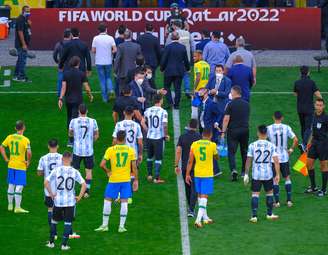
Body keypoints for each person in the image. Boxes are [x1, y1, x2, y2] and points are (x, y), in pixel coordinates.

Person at [95, 130, 138, 233]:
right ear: (125, 138)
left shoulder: (111, 150)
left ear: (116, 138)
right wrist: (136, 180)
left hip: (113, 180)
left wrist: (108, 171)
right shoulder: (130, 150)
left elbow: (101, 164)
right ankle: (121, 227)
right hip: (126, 180)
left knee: (107, 200)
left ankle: (105, 225)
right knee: (124, 202)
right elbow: (134, 167)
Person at [45, 151, 86, 250]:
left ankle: (51, 243)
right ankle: (64, 245)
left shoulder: (57, 170)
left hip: (58, 201)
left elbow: (46, 182)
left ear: (62, 159)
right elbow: (84, 185)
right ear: (71, 159)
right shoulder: (74, 171)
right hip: (70, 202)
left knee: (54, 221)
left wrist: (51, 194)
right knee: (68, 223)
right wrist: (79, 197)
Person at [244, 125, 280, 223]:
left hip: (256, 174)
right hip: (268, 174)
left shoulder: (252, 145)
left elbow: (248, 160)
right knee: (269, 193)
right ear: (266, 134)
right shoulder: (271, 145)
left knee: (255, 194)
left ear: (258, 133)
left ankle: (254, 216)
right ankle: (269, 214)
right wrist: (277, 174)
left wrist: (246, 174)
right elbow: (276, 161)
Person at [185, 128, 219, 228]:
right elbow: (216, 157)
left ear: (202, 135)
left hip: (197, 173)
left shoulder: (194, 144)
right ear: (210, 135)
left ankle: (205, 217)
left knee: (200, 195)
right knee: (204, 197)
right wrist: (216, 155)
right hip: (207, 174)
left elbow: (190, 161)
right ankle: (198, 220)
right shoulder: (212, 145)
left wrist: (187, 174)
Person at [58, 56, 93, 147]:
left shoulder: (66, 74)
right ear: (78, 63)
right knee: (76, 120)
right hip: (78, 100)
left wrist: (61, 98)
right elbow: (86, 87)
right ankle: (72, 140)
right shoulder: (81, 74)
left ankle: (71, 139)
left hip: (68, 100)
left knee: (69, 118)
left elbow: (63, 87)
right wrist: (90, 95)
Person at [267, 111, 298, 207]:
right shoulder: (286, 127)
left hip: (273, 158)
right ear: (282, 118)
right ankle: (289, 201)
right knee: (287, 178)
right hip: (284, 157)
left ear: (273, 117)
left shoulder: (269, 128)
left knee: (275, 179)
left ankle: (277, 202)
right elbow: (296, 140)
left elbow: (263, 139)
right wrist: (291, 149)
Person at [113, 106, 143, 203]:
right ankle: (128, 196)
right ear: (133, 113)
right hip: (132, 152)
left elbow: (114, 141)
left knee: (120, 173)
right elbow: (140, 142)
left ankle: (119, 195)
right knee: (132, 173)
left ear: (124, 112)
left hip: (120, 153)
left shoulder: (119, 124)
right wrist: (140, 154)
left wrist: (113, 150)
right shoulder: (136, 125)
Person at [0, 120, 32, 213]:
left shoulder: (9, 137)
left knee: (11, 184)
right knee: (19, 187)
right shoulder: (25, 139)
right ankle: (17, 207)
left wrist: (6, 158)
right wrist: (28, 161)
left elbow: (1, 147)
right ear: (24, 128)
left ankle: (10, 205)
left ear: (15, 128)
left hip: (11, 165)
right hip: (20, 166)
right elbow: (29, 152)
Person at [69, 104, 99, 197]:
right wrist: (91, 140)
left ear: (78, 111)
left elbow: (70, 133)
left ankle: (72, 190)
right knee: (88, 171)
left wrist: (73, 138)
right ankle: (86, 192)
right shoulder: (93, 121)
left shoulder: (73, 121)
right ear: (87, 111)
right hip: (88, 150)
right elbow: (96, 135)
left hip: (77, 150)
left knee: (75, 171)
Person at [221, 86, 250, 181]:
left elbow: (226, 119)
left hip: (233, 130)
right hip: (245, 130)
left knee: (231, 152)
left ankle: (233, 170)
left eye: (231, 92)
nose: (230, 94)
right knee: (244, 151)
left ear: (235, 93)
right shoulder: (247, 104)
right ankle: (243, 172)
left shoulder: (230, 104)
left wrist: (223, 132)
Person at [175, 119, 202, 217]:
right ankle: (191, 209)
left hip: (185, 166)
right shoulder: (199, 137)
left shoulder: (182, 137)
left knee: (188, 186)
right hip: (196, 166)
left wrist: (176, 165)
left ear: (188, 125)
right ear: (197, 126)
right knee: (194, 187)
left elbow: (178, 151)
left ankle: (190, 207)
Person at [294, 65, 322, 152]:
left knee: (303, 126)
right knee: (308, 128)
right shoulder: (311, 82)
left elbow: (295, 94)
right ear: (308, 72)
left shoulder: (297, 82)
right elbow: (317, 94)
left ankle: (304, 145)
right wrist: (321, 102)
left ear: (300, 72)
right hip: (309, 108)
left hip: (300, 108)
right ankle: (304, 144)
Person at [37, 139, 63, 233]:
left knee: (50, 209)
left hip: (48, 189)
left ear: (48, 146)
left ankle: (53, 232)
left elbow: (39, 173)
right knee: (64, 208)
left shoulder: (43, 158)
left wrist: (46, 172)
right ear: (57, 146)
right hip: (60, 189)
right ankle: (68, 230)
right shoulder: (62, 158)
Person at [160, 31, 190, 109]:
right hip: (179, 71)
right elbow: (186, 60)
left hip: (169, 71)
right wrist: (188, 68)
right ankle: (176, 105)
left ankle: (170, 102)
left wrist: (162, 69)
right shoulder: (182, 47)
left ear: (171, 38)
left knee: (167, 87)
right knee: (178, 88)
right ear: (179, 37)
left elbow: (164, 59)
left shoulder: (167, 47)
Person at [144, 95, 169, 183]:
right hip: (158, 138)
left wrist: (148, 130)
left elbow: (144, 122)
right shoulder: (163, 111)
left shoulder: (148, 110)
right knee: (158, 158)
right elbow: (165, 125)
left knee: (149, 156)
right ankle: (156, 178)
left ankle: (149, 175)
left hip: (149, 137)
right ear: (161, 100)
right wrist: (166, 135)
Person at [305, 98, 328, 196]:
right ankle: (314, 187)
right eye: (317, 105)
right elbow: (312, 131)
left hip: (323, 144)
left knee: (324, 166)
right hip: (314, 143)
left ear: (323, 106)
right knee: (308, 163)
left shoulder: (326, 118)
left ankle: (323, 189)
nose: (318, 107)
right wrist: (309, 143)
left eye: (320, 105)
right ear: (314, 105)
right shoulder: (313, 116)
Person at [166, 20, 194, 98]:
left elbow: (167, 46)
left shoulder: (171, 34)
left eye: (172, 25)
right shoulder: (187, 33)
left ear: (174, 26)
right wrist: (192, 54)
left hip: (174, 59)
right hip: (186, 58)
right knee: (186, 75)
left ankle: (176, 90)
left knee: (175, 76)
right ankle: (187, 90)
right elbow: (193, 45)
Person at [198, 88, 223, 176]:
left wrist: (216, 123)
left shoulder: (211, 103)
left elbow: (220, 113)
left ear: (206, 94)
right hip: (203, 129)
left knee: (209, 149)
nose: (200, 96)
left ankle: (216, 170)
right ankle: (213, 169)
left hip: (210, 130)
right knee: (207, 149)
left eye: (201, 95)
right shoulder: (202, 103)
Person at [92, 23, 117, 102]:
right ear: (106, 29)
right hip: (108, 61)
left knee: (102, 79)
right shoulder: (110, 38)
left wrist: (99, 52)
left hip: (99, 61)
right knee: (108, 77)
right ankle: (111, 90)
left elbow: (93, 50)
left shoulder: (95, 38)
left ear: (98, 30)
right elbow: (115, 50)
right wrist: (109, 52)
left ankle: (105, 98)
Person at [13, 5, 32, 83]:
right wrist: (24, 44)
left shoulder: (25, 19)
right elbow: (20, 32)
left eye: (29, 11)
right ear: (22, 11)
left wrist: (29, 24)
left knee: (20, 60)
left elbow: (27, 30)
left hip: (23, 44)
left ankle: (16, 75)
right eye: (26, 11)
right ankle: (21, 77)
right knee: (22, 61)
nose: (28, 12)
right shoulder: (20, 19)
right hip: (21, 44)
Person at [53, 28, 72, 97]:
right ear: (70, 35)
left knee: (60, 80)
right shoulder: (72, 44)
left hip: (62, 66)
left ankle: (59, 94)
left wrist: (58, 62)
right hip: (70, 66)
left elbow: (54, 55)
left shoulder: (59, 44)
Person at [192, 50, 210, 118]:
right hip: (205, 90)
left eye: (195, 56)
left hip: (198, 90)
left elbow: (198, 77)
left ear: (200, 56)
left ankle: (194, 123)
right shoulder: (207, 64)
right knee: (204, 107)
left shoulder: (197, 64)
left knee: (195, 107)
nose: (193, 58)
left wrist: (194, 88)